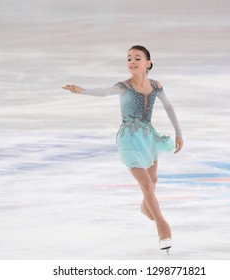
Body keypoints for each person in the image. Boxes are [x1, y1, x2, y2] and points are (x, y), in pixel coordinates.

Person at [62, 45, 183, 252]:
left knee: (152, 182)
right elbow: (104, 92)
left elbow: (169, 106)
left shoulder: (156, 86)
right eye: (129, 59)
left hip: (148, 138)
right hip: (129, 139)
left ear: (148, 63)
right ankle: (162, 227)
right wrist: (82, 91)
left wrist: (179, 133)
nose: (132, 62)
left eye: (137, 58)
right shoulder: (123, 86)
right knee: (146, 185)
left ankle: (146, 208)